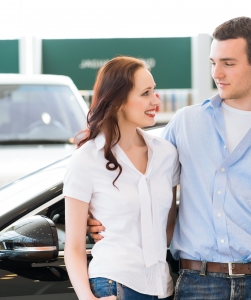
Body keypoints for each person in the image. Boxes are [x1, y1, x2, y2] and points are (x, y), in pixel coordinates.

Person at [89, 17, 251, 300]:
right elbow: (139, 177)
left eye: (228, 63)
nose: (217, 73)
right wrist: (95, 211)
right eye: (213, 62)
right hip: (198, 283)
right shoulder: (186, 122)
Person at [64, 56, 180, 300]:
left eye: (154, 91)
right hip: (115, 284)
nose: (155, 100)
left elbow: (168, 225)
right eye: (145, 93)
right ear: (117, 101)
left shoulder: (166, 154)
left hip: (163, 286)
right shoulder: (86, 159)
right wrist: (87, 298)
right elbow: (73, 247)